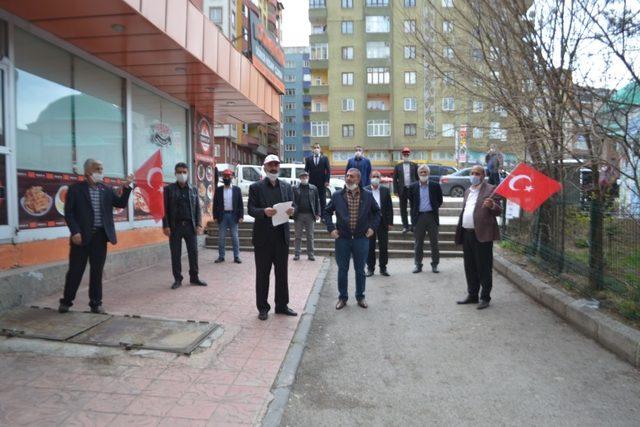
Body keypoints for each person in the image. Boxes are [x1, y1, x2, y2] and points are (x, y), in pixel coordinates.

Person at [59, 159, 134, 314]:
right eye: (97, 169)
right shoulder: (75, 189)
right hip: (81, 237)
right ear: (88, 172)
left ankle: (96, 304)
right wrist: (75, 231)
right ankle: (66, 301)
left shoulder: (106, 189)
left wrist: (126, 188)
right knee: (75, 271)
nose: (101, 172)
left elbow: (120, 203)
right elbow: (69, 213)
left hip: (100, 237)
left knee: (97, 271)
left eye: (101, 169)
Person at [248, 154, 297, 320]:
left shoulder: (286, 187)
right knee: (262, 274)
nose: (273, 168)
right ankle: (263, 308)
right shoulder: (256, 187)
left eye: (276, 165)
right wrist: (263, 212)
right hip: (263, 239)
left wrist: (292, 211)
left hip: (281, 238)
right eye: (270, 165)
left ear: (279, 167)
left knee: (282, 274)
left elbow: (293, 205)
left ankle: (282, 306)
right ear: (264, 167)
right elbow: (250, 209)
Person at [324, 168, 381, 310]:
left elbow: (377, 212)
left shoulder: (367, 196)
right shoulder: (337, 195)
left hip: (361, 239)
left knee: (360, 270)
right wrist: (331, 229)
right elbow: (326, 212)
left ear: (359, 179)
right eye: (347, 176)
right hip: (342, 238)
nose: (348, 178)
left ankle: (360, 297)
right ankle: (342, 298)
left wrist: (372, 228)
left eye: (352, 176)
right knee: (342, 269)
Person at [455, 165, 502, 310]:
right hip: (467, 233)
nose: (474, 175)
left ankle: (485, 297)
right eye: (472, 173)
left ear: (483, 176)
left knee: (484, 267)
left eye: (477, 173)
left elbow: (499, 211)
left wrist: (492, 205)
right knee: (470, 266)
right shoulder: (468, 190)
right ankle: (472, 294)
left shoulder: (491, 189)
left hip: (482, 235)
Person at [163, 162, 208, 290]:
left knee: (193, 253)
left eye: (184, 172)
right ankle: (177, 279)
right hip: (175, 226)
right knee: (175, 254)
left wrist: (199, 224)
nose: (182, 175)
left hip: (190, 226)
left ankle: (194, 277)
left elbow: (198, 208)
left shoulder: (193, 189)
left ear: (187, 173)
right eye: (179, 172)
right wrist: (165, 226)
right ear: (175, 174)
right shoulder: (169, 189)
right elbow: (164, 209)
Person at [410, 164, 443, 274]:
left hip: (431, 216)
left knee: (434, 243)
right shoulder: (413, 186)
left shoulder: (435, 185)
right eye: (421, 172)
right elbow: (412, 202)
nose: (423, 174)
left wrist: (432, 208)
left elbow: (440, 200)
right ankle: (418, 265)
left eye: (425, 172)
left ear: (428, 173)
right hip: (419, 217)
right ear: (418, 174)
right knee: (418, 243)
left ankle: (435, 264)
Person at [364, 170, 393, 277]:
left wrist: (390, 222)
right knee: (370, 246)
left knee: (383, 246)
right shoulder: (365, 190)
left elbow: (389, 208)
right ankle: (370, 268)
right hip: (370, 223)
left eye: (377, 176)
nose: (375, 178)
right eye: (374, 176)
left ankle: (383, 268)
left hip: (383, 222)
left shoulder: (385, 190)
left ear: (380, 179)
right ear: (370, 178)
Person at [213, 169, 243, 264]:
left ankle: (236, 256)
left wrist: (241, 216)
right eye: (225, 176)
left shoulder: (237, 190)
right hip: (222, 216)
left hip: (233, 216)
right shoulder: (218, 190)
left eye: (228, 176)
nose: (226, 178)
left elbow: (240, 204)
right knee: (221, 237)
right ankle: (221, 256)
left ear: (232, 177)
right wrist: (215, 216)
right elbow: (215, 204)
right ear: (223, 178)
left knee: (235, 237)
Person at [292, 171, 321, 261]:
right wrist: (292, 210)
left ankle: (311, 254)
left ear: (308, 177)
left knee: (310, 235)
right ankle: (297, 254)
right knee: (297, 236)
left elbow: (317, 201)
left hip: (310, 215)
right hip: (299, 215)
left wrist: (318, 213)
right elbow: (292, 201)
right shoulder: (295, 188)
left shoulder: (314, 188)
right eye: (302, 177)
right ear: (300, 178)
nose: (304, 178)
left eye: (306, 177)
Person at [393, 147, 419, 233]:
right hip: (402, 190)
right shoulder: (398, 166)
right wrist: (395, 191)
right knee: (403, 209)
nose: (406, 156)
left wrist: (418, 189)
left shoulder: (414, 165)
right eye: (404, 154)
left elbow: (418, 178)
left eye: (407, 154)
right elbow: (395, 179)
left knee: (414, 208)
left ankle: (413, 226)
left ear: (409, 155)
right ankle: (405, 226)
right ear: (402, 156)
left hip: (412, 190)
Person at [304, 143, 331, 219]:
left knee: (323, 200)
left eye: (318, 147)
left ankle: (323, 216)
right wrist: (306, 180)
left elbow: (328, 171)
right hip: (312, 183)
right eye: (315, 147)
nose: (316, 149)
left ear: (320, 149)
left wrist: (327, 181)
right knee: (312, 199)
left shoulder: (325, 158)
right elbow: (306, 170)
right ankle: (314, 214)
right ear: (313, 149)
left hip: (322, 182)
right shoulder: (308, 159)